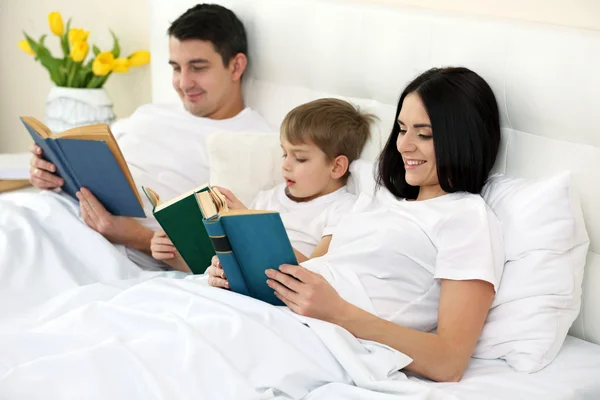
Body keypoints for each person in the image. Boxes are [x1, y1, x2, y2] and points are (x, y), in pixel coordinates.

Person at [208, 67, 505, 382]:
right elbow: (316, 273)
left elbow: (448, 362)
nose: (404, 145)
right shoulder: (376, 201)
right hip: (284, 313)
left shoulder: (467, 218)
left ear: (463, 138)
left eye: (424, 133)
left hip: (321, 337)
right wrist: (240, 271)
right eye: (402, 129)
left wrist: (337, 312)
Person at [26, 4, 273, 269]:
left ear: (236, 66)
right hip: (51, 212)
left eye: (198, 67)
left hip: (110, 249)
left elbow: (224, 257)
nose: (183, 83)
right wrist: (49, 174)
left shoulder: (253, 142)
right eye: (176, 68)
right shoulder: (148, 114)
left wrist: (134, 236)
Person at [150, 98, 376, 273]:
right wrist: (173, 256)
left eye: (300, 158)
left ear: (337, 167)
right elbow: (212, 268)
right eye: (284, 153)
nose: (285, 165)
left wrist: (249, 224)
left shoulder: (343, 210)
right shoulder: (267, 198)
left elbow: (314, 274)